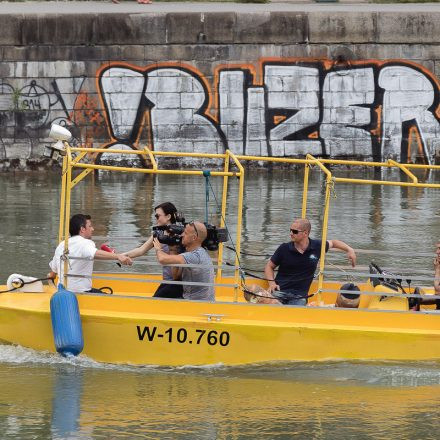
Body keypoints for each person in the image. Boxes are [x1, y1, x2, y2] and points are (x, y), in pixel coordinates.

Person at [264, 218, 357, 306]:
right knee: (268, 305)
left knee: (295, 312)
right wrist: (272, 283)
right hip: (280, 292)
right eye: (290, 230)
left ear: (305, 233)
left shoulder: (317, 246)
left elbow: (334, 243)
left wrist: (350, 249)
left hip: (299, 296)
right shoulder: (283, 248)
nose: (291, 233)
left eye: (295, 231)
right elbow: (269, 266)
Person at [48, 214, 132, 292]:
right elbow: (95, 253)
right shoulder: (85, 243)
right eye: (90, 226)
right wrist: (118, 256)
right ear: (82, 229)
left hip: (62, 291)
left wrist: (51, 276)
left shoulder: (62, 245)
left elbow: (53, 272)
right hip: (80, 292)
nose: (93, 229)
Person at [124, 202, 184, 298]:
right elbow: (141, 250)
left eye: (157, 216)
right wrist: (120, 256)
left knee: (154, 302)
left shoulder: (182, 234)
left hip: (180, 281)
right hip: (167, 280)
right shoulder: (159, 233)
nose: (155, 219)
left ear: (168, 216)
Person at [153, 221, 215, 301]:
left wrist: (158, 248)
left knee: (165, 290)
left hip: (196, 304)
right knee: (167, 285)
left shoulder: (195, 256)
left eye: (185, 233)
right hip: (198, 300)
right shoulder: (198, 252)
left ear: (194, 238)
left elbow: (162, 259)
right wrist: (172, 249)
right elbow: (176, 276)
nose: (182, 235)